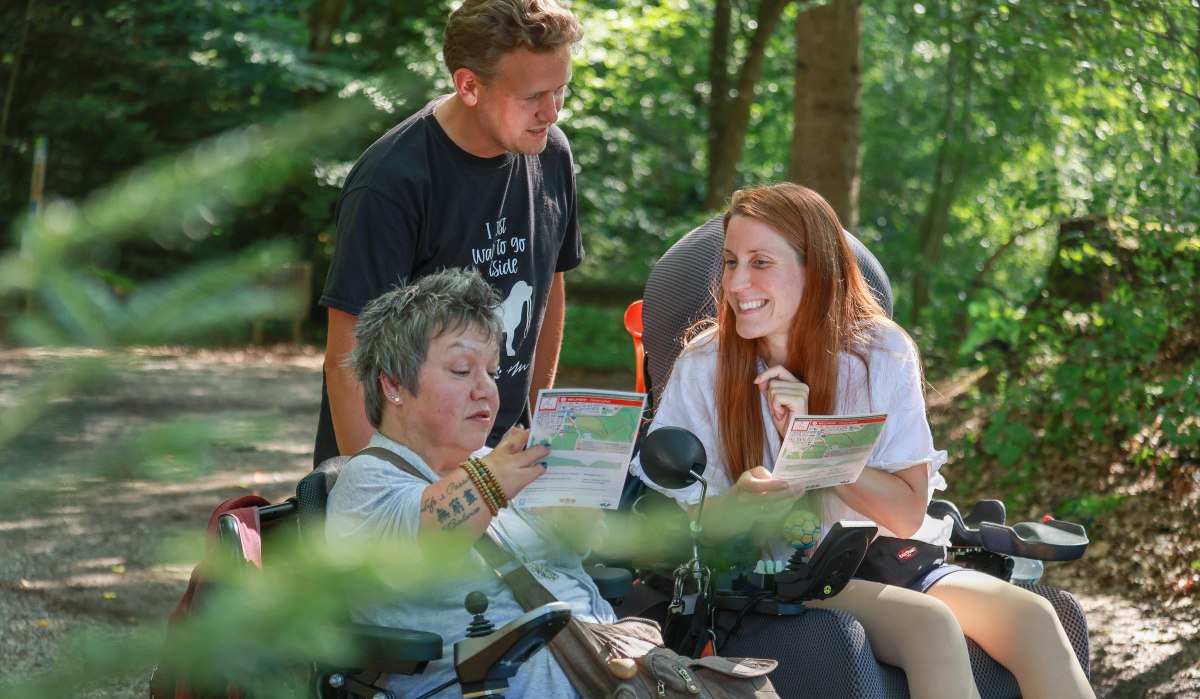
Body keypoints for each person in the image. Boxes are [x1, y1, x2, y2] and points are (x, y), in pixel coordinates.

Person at [631, 183, 1095, 699]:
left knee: (1034, 616)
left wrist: (815, 441)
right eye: (730, 262)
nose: (738, 282)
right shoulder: (705, 364)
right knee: (930, 626)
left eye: (760, 262)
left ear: (817, 270)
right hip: (777, 575)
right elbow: (671, 533)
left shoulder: (880, 353)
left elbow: (906, 515)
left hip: (884, 557)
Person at [314, 0, 585, 467]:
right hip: (405, 466)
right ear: (468, 85)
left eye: (560, 90)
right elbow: (348, 361)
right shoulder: (391, 183)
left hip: (504, 455)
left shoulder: (551, 153)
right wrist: (379, 496)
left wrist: (542, 425)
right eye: (533, 97)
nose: (552, 112)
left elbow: (549, 285)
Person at [325, 268, 615, 698]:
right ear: (393, 384)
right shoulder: (367, 479)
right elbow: (431, 533)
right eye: (462, 370)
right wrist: (494, 479)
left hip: (606, 662)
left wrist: (577, 518)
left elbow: (573, 562)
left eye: (493, 372)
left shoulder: (492, 465)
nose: (487, 390)